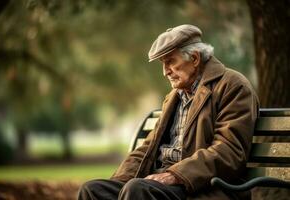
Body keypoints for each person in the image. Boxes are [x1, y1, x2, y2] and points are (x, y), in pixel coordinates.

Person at [78, 24, 259, 200]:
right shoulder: (175, 95)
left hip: (203, 186)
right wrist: (119, 181)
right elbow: (148, 148)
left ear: (194, 59)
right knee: (93, 190)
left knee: (138, 189)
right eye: (162, 64)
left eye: (170, 61)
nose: (165, 72)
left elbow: (229, 150)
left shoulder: (233, 86)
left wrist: (176, 175)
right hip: (162, 182)